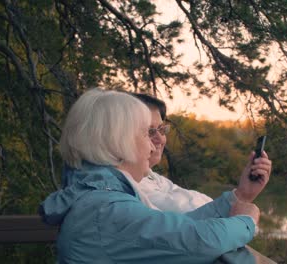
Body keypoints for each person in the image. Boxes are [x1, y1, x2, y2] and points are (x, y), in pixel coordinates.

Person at [39, 88, 265, 264]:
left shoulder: (99, 199)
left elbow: (176, 227)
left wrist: (232, 202)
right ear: (120, 142)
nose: (152, 145)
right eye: (145, 134)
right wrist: (246, 221)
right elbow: (198, 240)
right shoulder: (106, 209)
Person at [133, 93, 272, 213]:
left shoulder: (153, 178)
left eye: (161, 129)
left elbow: (198, 207)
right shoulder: (131, 189)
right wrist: (242, 208)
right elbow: (191, 219)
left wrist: (243, 194)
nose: (160, 138)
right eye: (150, 131)